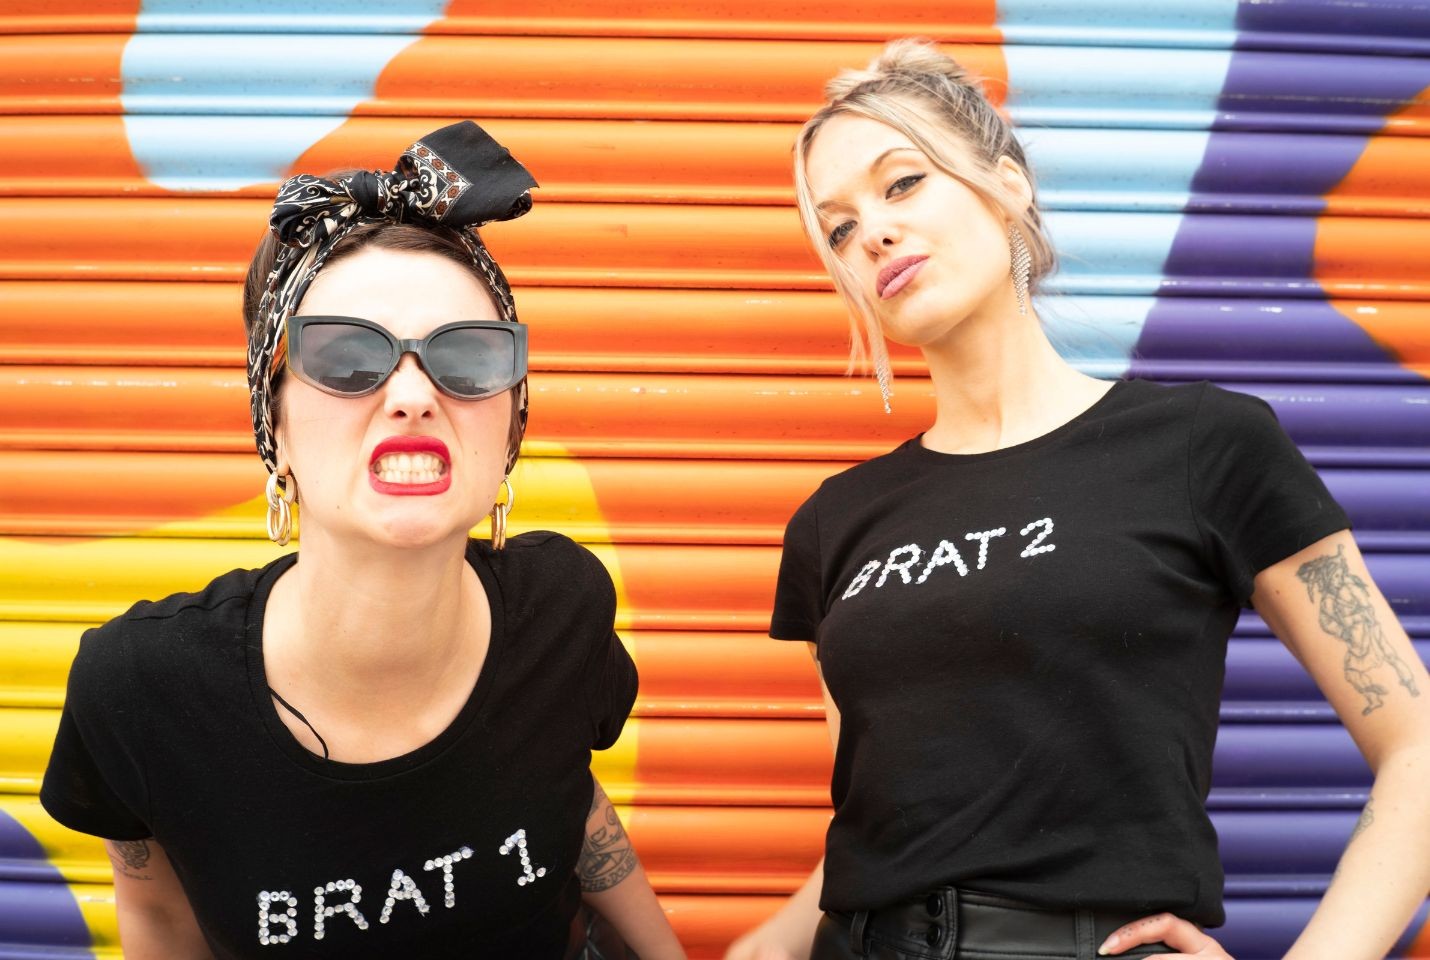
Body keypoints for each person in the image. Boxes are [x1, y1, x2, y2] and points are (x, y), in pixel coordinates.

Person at [725, 40, 1430, 960]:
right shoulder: (836, 520)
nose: (875, 236)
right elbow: (890, 826)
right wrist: (766, 948)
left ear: (1008, 183)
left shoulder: (1203, 446)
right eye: (840, 228)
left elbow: (1416, 749)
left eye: (901, 185)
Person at [40, 121, 686, 960]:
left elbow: (572, 799)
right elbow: (160, 918)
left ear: (513, 415)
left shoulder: (562, 603)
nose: (414, 393)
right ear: (271, 418)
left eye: (468, 357)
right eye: (347, 357)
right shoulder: (139, 688)